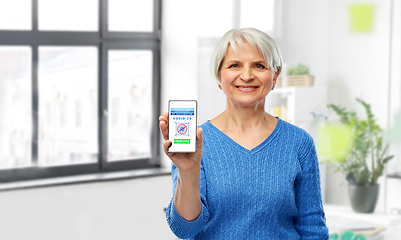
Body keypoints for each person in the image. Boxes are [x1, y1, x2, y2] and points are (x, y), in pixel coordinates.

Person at [159, 27, 329, 239]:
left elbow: (313, 228)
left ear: (274, 76)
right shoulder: (196, 142)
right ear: (219, 76)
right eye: (234, 65)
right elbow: (185, 230)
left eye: (259, 65)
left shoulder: (299, 142)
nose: (247, 76)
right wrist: (187, 172)